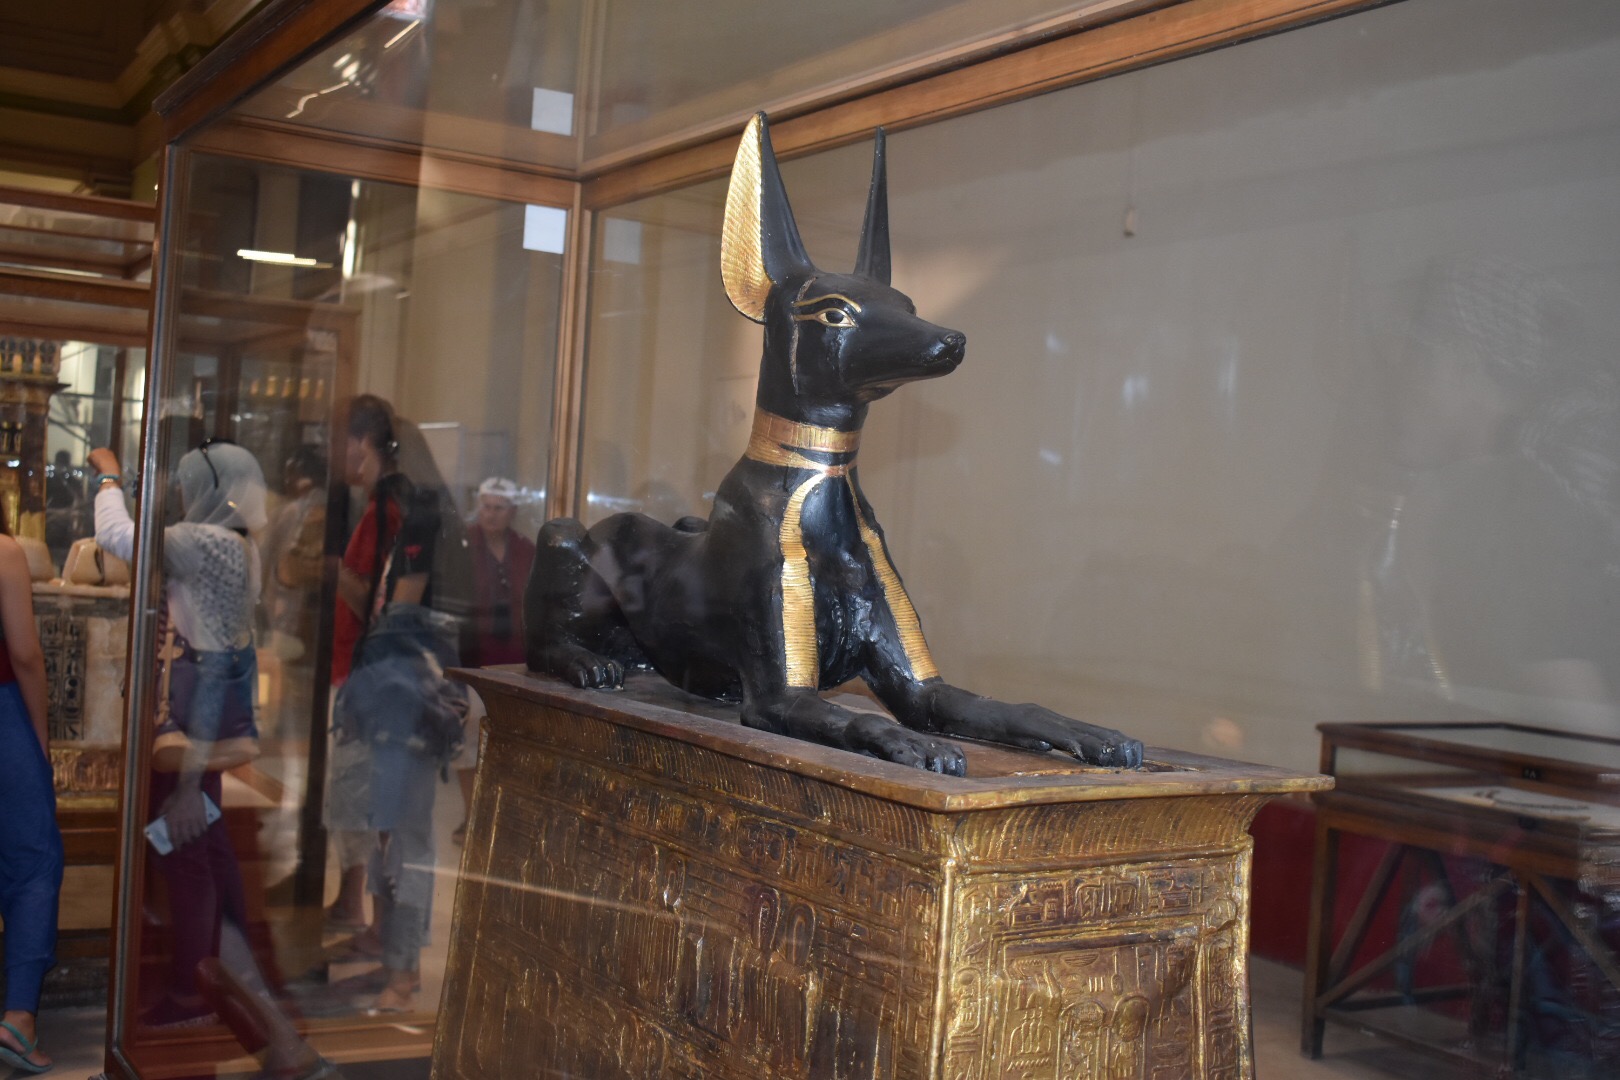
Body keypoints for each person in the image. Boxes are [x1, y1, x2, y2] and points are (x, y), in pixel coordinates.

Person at [91, 441, 266, 1029]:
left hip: (189, 721)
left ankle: (195, 992)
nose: (182, 494)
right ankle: (229, 979)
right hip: (207, 717)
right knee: (207, 851)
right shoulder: (240, 546)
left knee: (187, 854)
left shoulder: (203, 543)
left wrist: (109, 478)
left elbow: (118, 536)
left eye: (189, 484)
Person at [0, 516, 60, 1076]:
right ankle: (18, 1017)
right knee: (34, 859)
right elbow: (25, 655)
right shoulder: (4, 552)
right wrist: (40, 736)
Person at [453, 477, 535, 842]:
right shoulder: (463, 545)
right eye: (485, 507)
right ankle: (472, 816)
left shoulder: (526, 550)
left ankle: (505, 820)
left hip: (517, 664)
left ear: (512, 512)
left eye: (498, 508)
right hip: (473, 661)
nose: (490, 514)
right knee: (468, 741)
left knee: (512, 743)